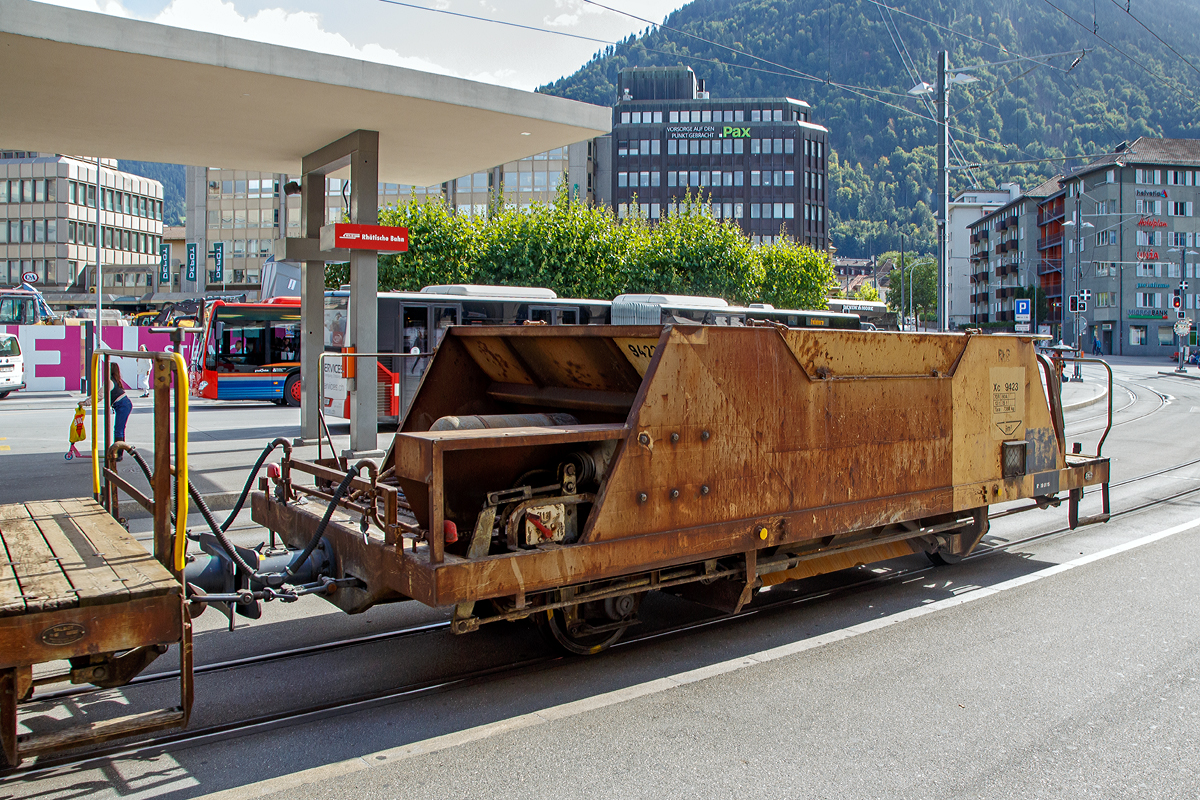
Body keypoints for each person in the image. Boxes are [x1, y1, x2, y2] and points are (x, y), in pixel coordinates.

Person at [109, 362, 132, 458]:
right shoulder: (115, 380)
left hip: (122, 405)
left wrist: (86, 402)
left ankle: (118, 454)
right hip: (123, 404)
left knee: (119, 430)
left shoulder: (110, 381)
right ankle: (118, 452)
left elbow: (100, 395)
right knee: (119, 429)